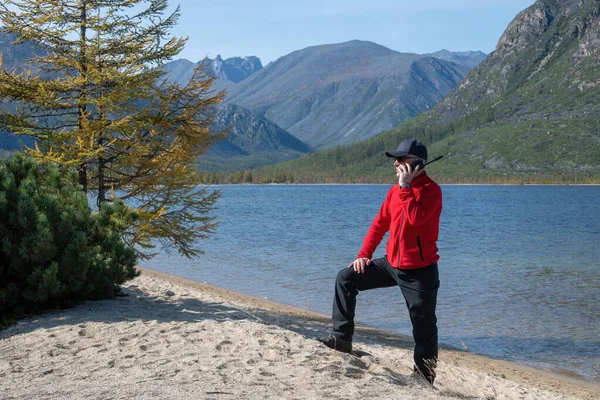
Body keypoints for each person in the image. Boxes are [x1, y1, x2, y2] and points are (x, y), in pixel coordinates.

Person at [318, 138, 442, 385]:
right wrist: (364, 254)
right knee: (346, 278)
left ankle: (424, 379)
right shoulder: (395, 191)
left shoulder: (431, 191)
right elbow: (380, 224)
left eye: (401, 160)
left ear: (418, 164)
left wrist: (405, 188)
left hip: (420, 271)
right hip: (391, 264)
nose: (395, 164)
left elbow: (416, 218)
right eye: (395, 159)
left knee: (424, 328)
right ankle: (341, 340)